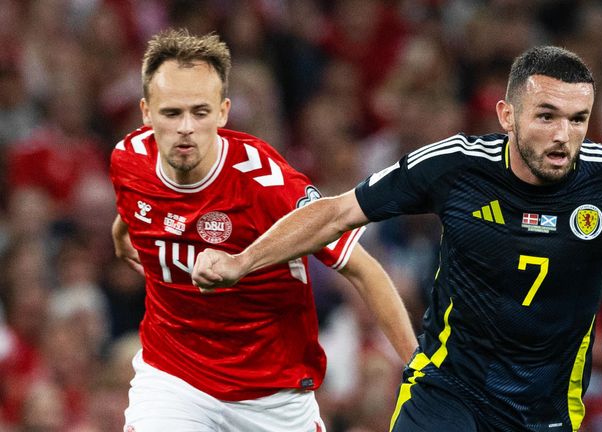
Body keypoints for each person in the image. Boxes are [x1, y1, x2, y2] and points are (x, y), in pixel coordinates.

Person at [193, 46, 602, 431]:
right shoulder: (456, 167)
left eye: (578, 119)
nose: (563, 136)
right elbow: (337, 213)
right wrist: (243, 261)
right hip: (448, 388)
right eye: (546, 116)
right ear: (507, 115)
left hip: (545, 406)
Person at [109, 28, 416, 432]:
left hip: (273, 398)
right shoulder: (129, 160)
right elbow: (136, 205)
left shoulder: (267, 185)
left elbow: (364, 269)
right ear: (147, 112)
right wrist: (121, 235)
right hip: (174, 381)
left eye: (200, 112)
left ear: (222, 112)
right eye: (171, 113)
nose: (186, 127)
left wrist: (418, 369)